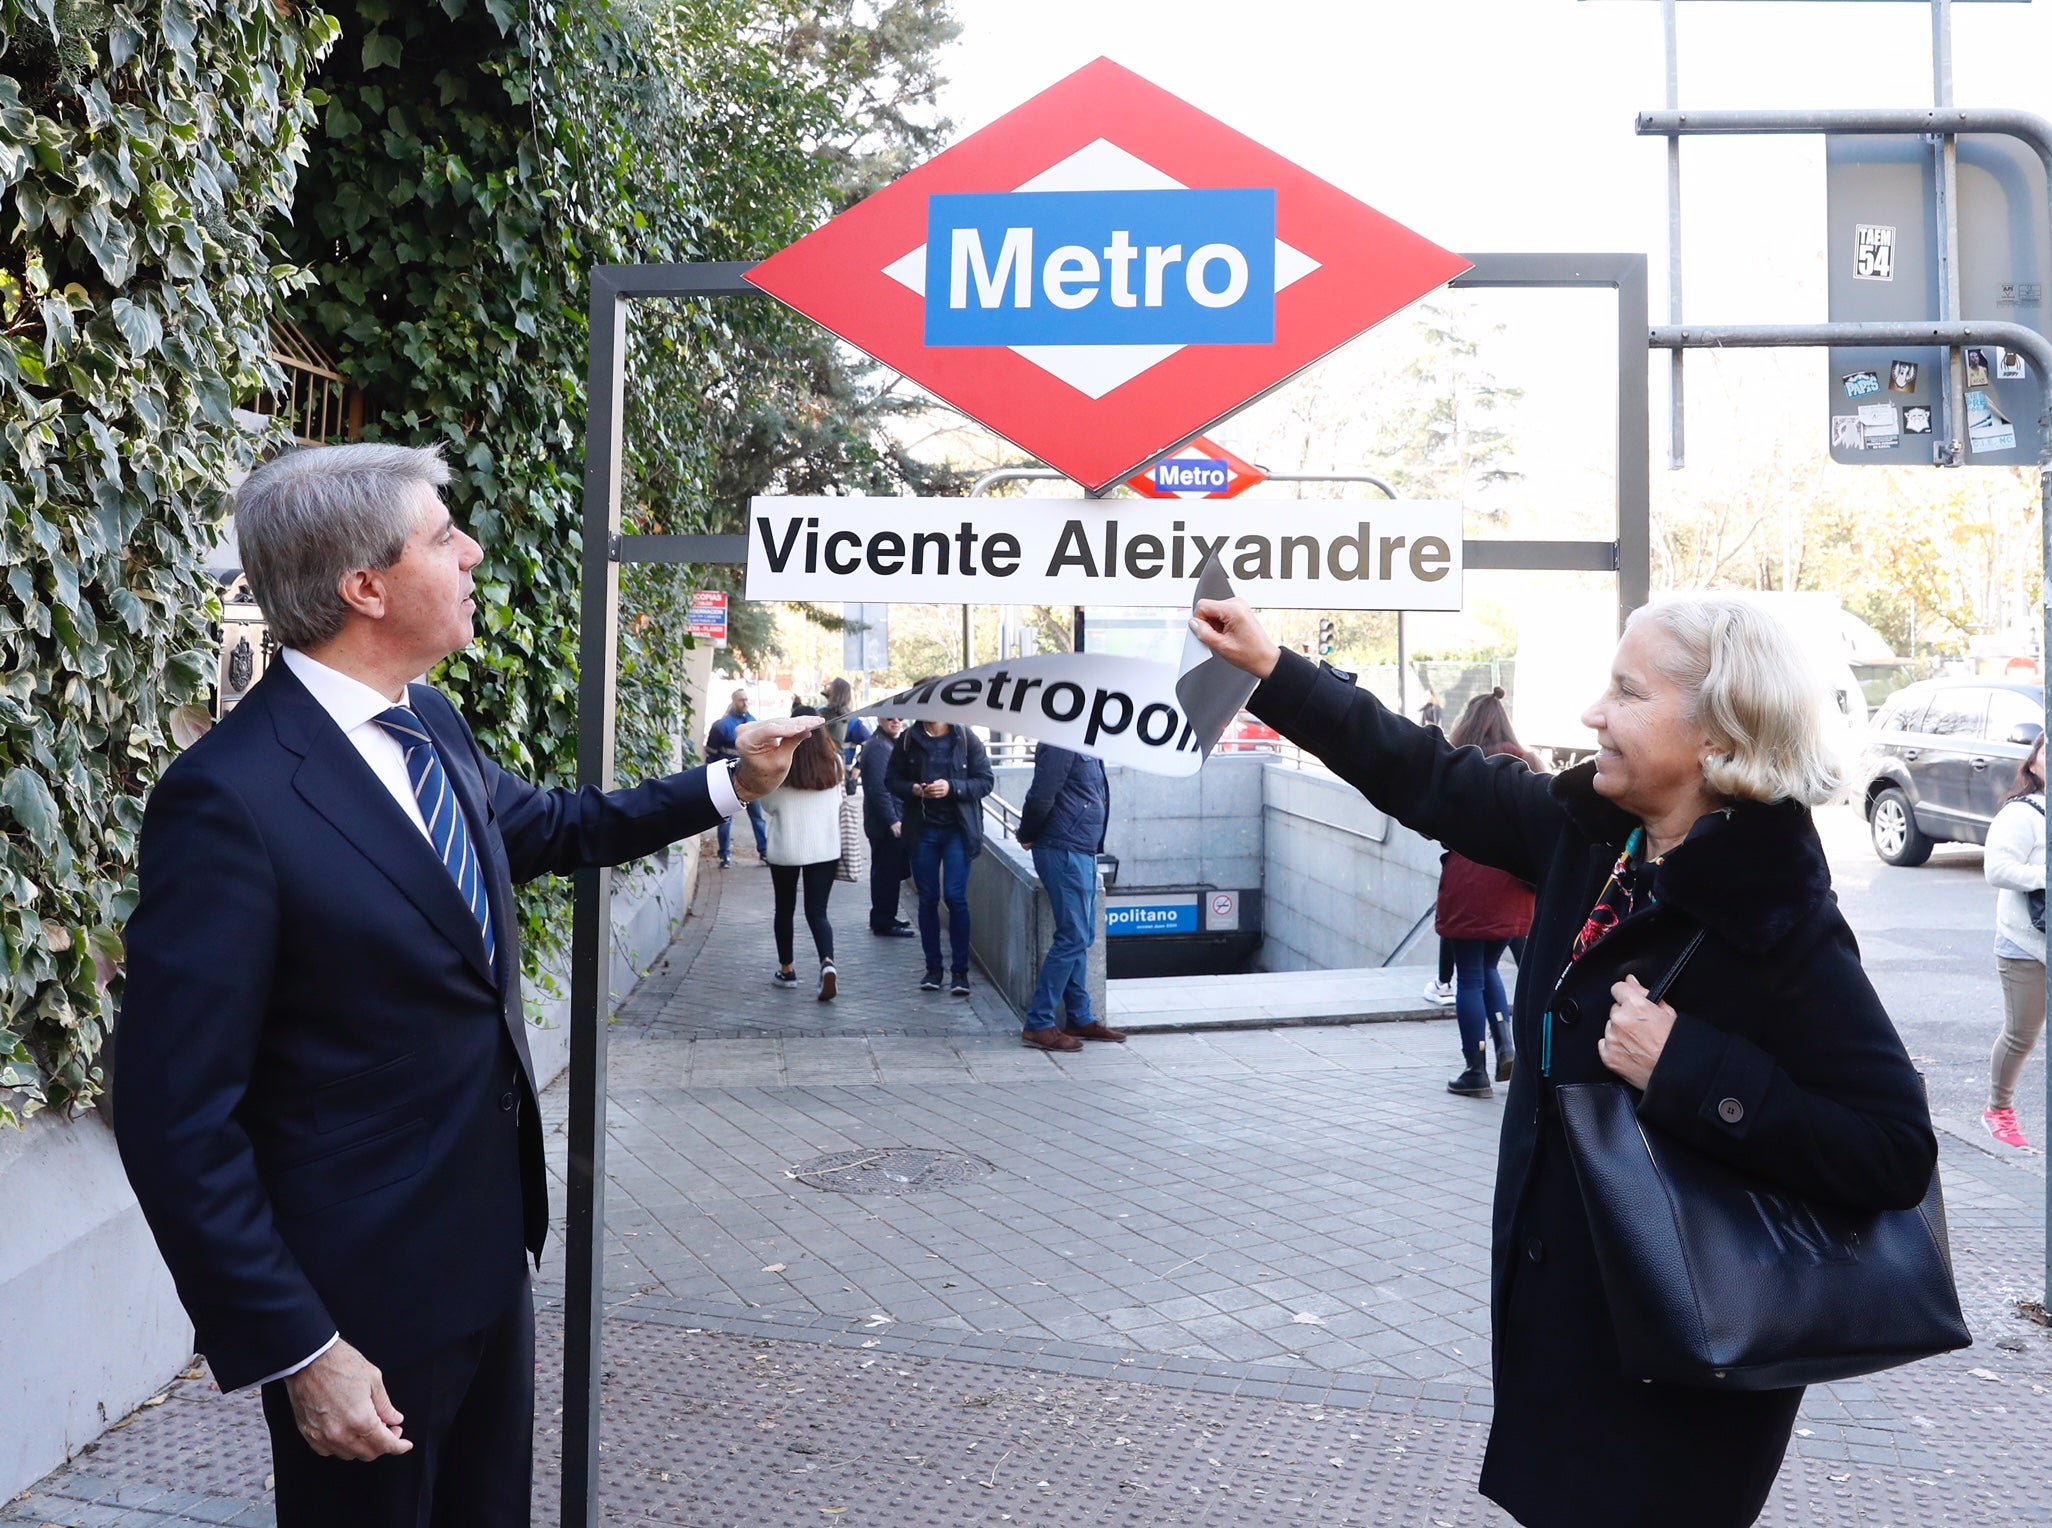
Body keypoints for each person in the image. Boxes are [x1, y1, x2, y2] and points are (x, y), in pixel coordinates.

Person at [111, 443, 817, 1528]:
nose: (473, 547)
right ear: (366, 586)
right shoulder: (227, 801)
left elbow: (549, 826)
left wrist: (729, 782)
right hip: (357, 1309)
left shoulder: (428, 721)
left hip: (487, 1255)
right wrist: (301, 1346)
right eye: (443, 534)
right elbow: (173, 1116)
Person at [1189, 591, 1936, 1528]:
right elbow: (1427, 776)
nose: (1593, 714)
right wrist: (1275, 668)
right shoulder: (1592, 836)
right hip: (1572, 1334)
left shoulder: (1779, 920)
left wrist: (1689, 1070)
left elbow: (1894, 1150)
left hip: (1685, 1369)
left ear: (1716, 734)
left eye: (1626, 692)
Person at [1437, 688, 1537, 1097]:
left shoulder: (1460, 761)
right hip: (1513, 883)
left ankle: (1475, 1070)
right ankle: (1507, 1046)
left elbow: (1434, 821)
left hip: (1469, 881)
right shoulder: (1527, 763)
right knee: (1492, 968)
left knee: (1470, 976)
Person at [1016, 742, 1126, 1051]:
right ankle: (1038, 1023)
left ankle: (1079, 1016)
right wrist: (1027, 834)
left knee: (1082, 934)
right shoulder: (1060, 740)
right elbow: (1040, 794)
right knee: (1073, 936)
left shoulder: (1083, 737)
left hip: (1080, 847)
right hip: (1061, 847)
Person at [887, 716, 994, 995]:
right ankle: (933, 969)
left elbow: (985, 782)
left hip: (958, 831)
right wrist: (912, 789)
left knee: (956, 897)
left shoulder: (966, 737)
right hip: (923, 831)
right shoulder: (909, 739)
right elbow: (891, 780)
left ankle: (960, 972)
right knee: (928, 899)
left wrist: (953, 787)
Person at [1983, 731, 2046, 1150]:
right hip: (2026, 944)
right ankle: (1998, 1110)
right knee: (2022, 1034)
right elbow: (1996, 869)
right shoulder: (2022, 813)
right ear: (2035, 759)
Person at [760, 706, 847, 1000]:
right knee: (818, 912)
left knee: (784, 910)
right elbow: (838, 802)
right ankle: (827, 963)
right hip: (825, 848)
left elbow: (768, 807)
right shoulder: (835, 762)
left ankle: (787, 971)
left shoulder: (780, 764)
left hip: (786, 848)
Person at [859, 716, 914, 937]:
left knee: (886, 872)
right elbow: (879, 789)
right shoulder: (879, 747)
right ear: (880, 720)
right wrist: (893, 820)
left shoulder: (882, 743)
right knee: (886, 874)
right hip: (885, 824)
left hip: (884, 821)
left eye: (899, 718)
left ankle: (885, 917)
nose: (896, 722)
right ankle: (884, 921)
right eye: (890, 719)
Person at [707, 687, 770, 866]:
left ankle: (764, 852)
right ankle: (724, 855)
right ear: (733, 701)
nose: (745, 703)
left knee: (757, 817)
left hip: (751, 780)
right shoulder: (721, 726)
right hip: (728, 781)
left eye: (747, 700)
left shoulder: (753, 722)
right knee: (725, 819)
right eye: (741, 700)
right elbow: (711, 754)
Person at [824, 674, 872, 775]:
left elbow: (869, 743)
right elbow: (869, 743)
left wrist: (858, 766)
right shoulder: (852, 720)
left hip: (825, 766)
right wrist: (858, 766)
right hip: (839, 767)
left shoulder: (821, 715)